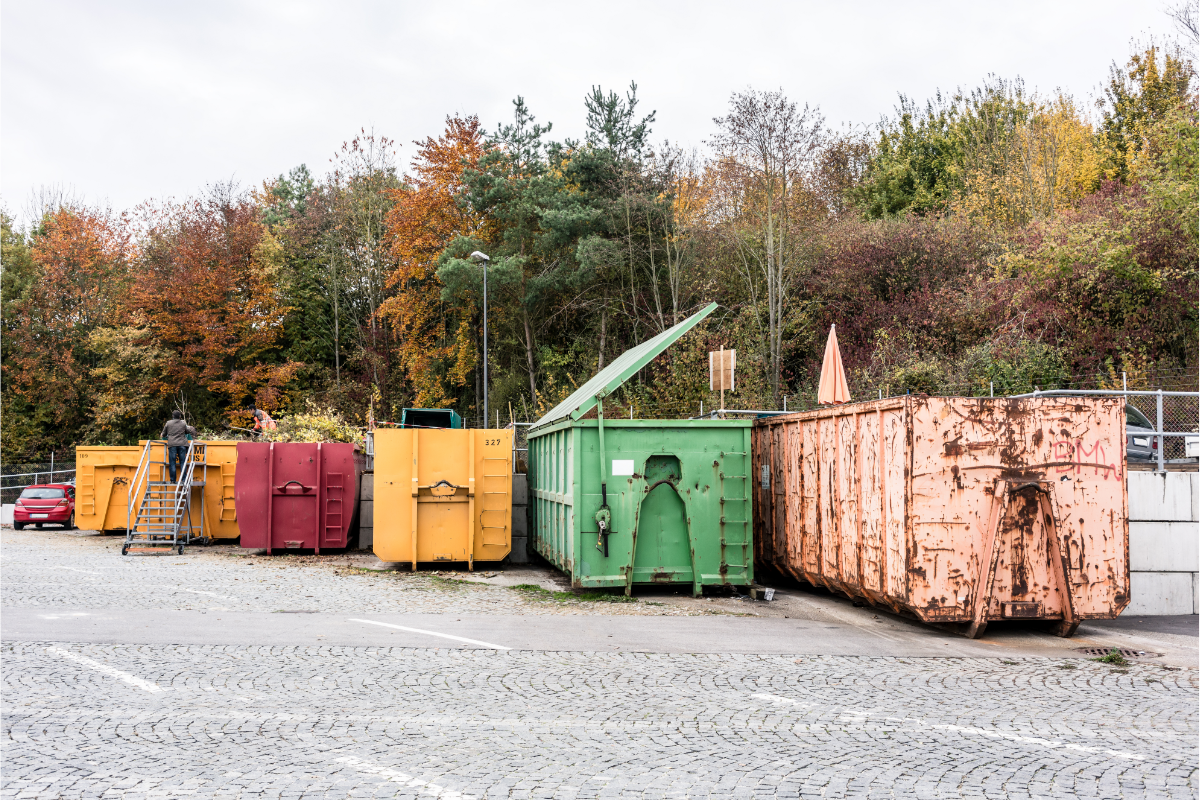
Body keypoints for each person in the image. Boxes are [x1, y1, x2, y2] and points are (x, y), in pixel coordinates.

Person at [160, 410, 198, 483]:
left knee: (172, 463)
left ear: (172, 416)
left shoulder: (168, 423)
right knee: (183, 462)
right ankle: (184, 479)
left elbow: (163, 434)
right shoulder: (183, 423)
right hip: (182, 444)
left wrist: (163, 434)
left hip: (172, 445)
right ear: (180, 417)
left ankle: (173, 480)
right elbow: (187, 431)